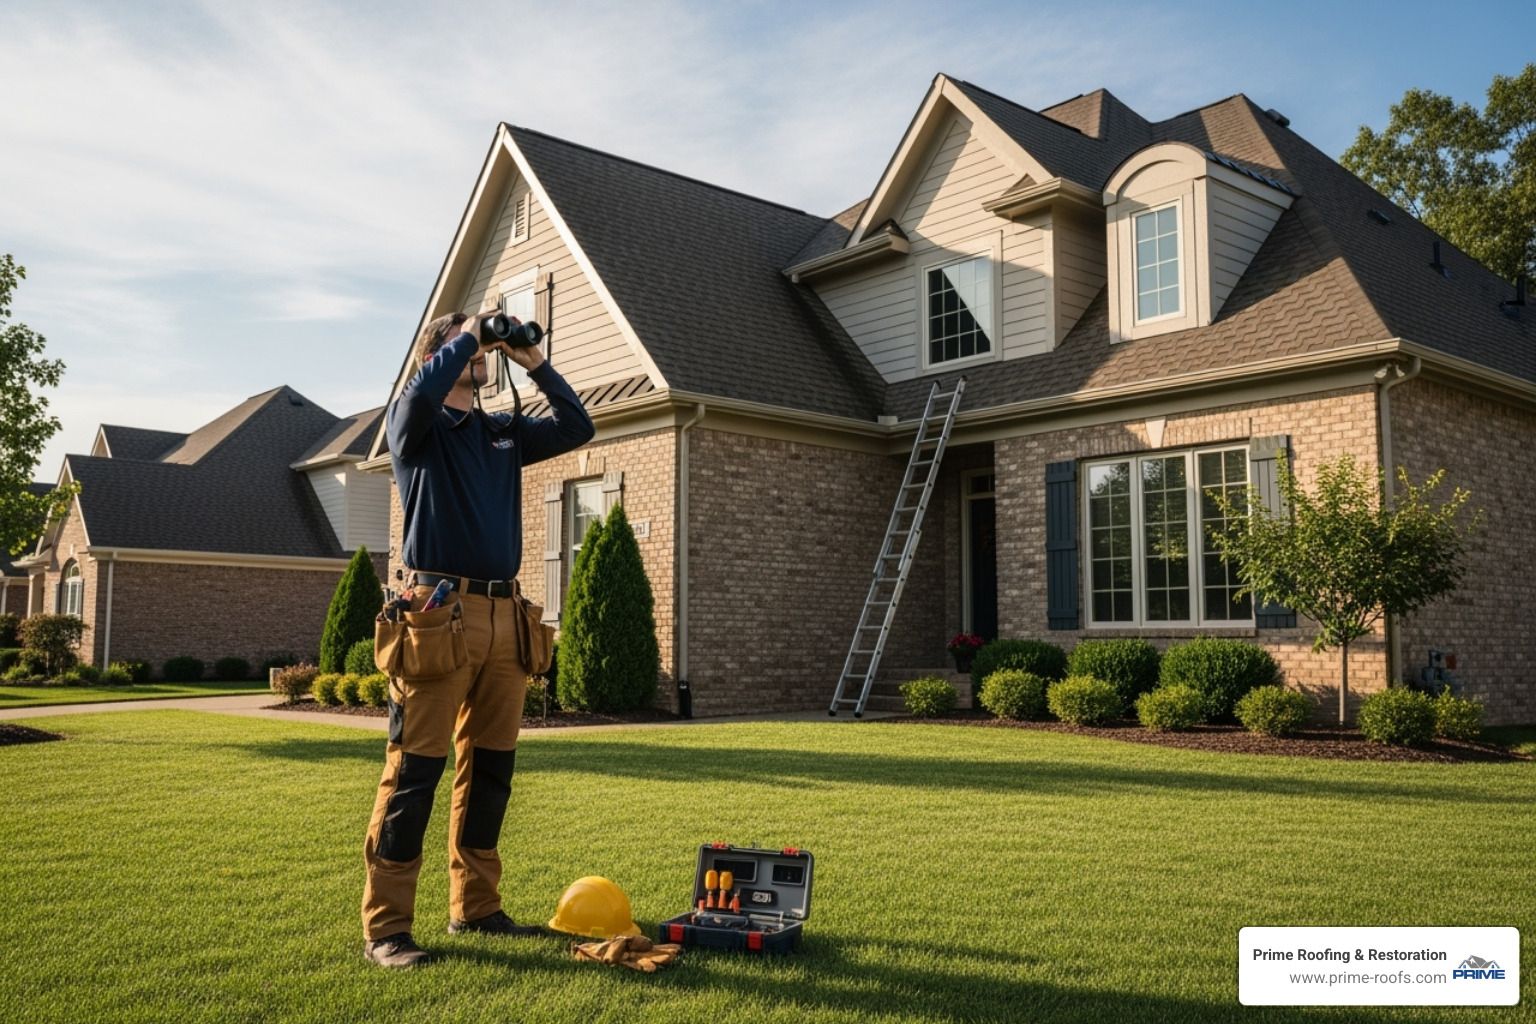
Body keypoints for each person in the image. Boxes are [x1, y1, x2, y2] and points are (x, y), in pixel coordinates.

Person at [361, 310, 594, 968]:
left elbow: (578, 427)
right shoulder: (416, 425)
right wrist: (471, 330)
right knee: (414, 774)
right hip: (437, 615)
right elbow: (419, 395)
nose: (482, 352)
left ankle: (477, 908)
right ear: (436, 356)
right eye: (467, 345)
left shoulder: (503, 432)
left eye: (485, 346)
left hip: (505, 616)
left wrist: (533, 360)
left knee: (491, 773)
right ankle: (387, 929)